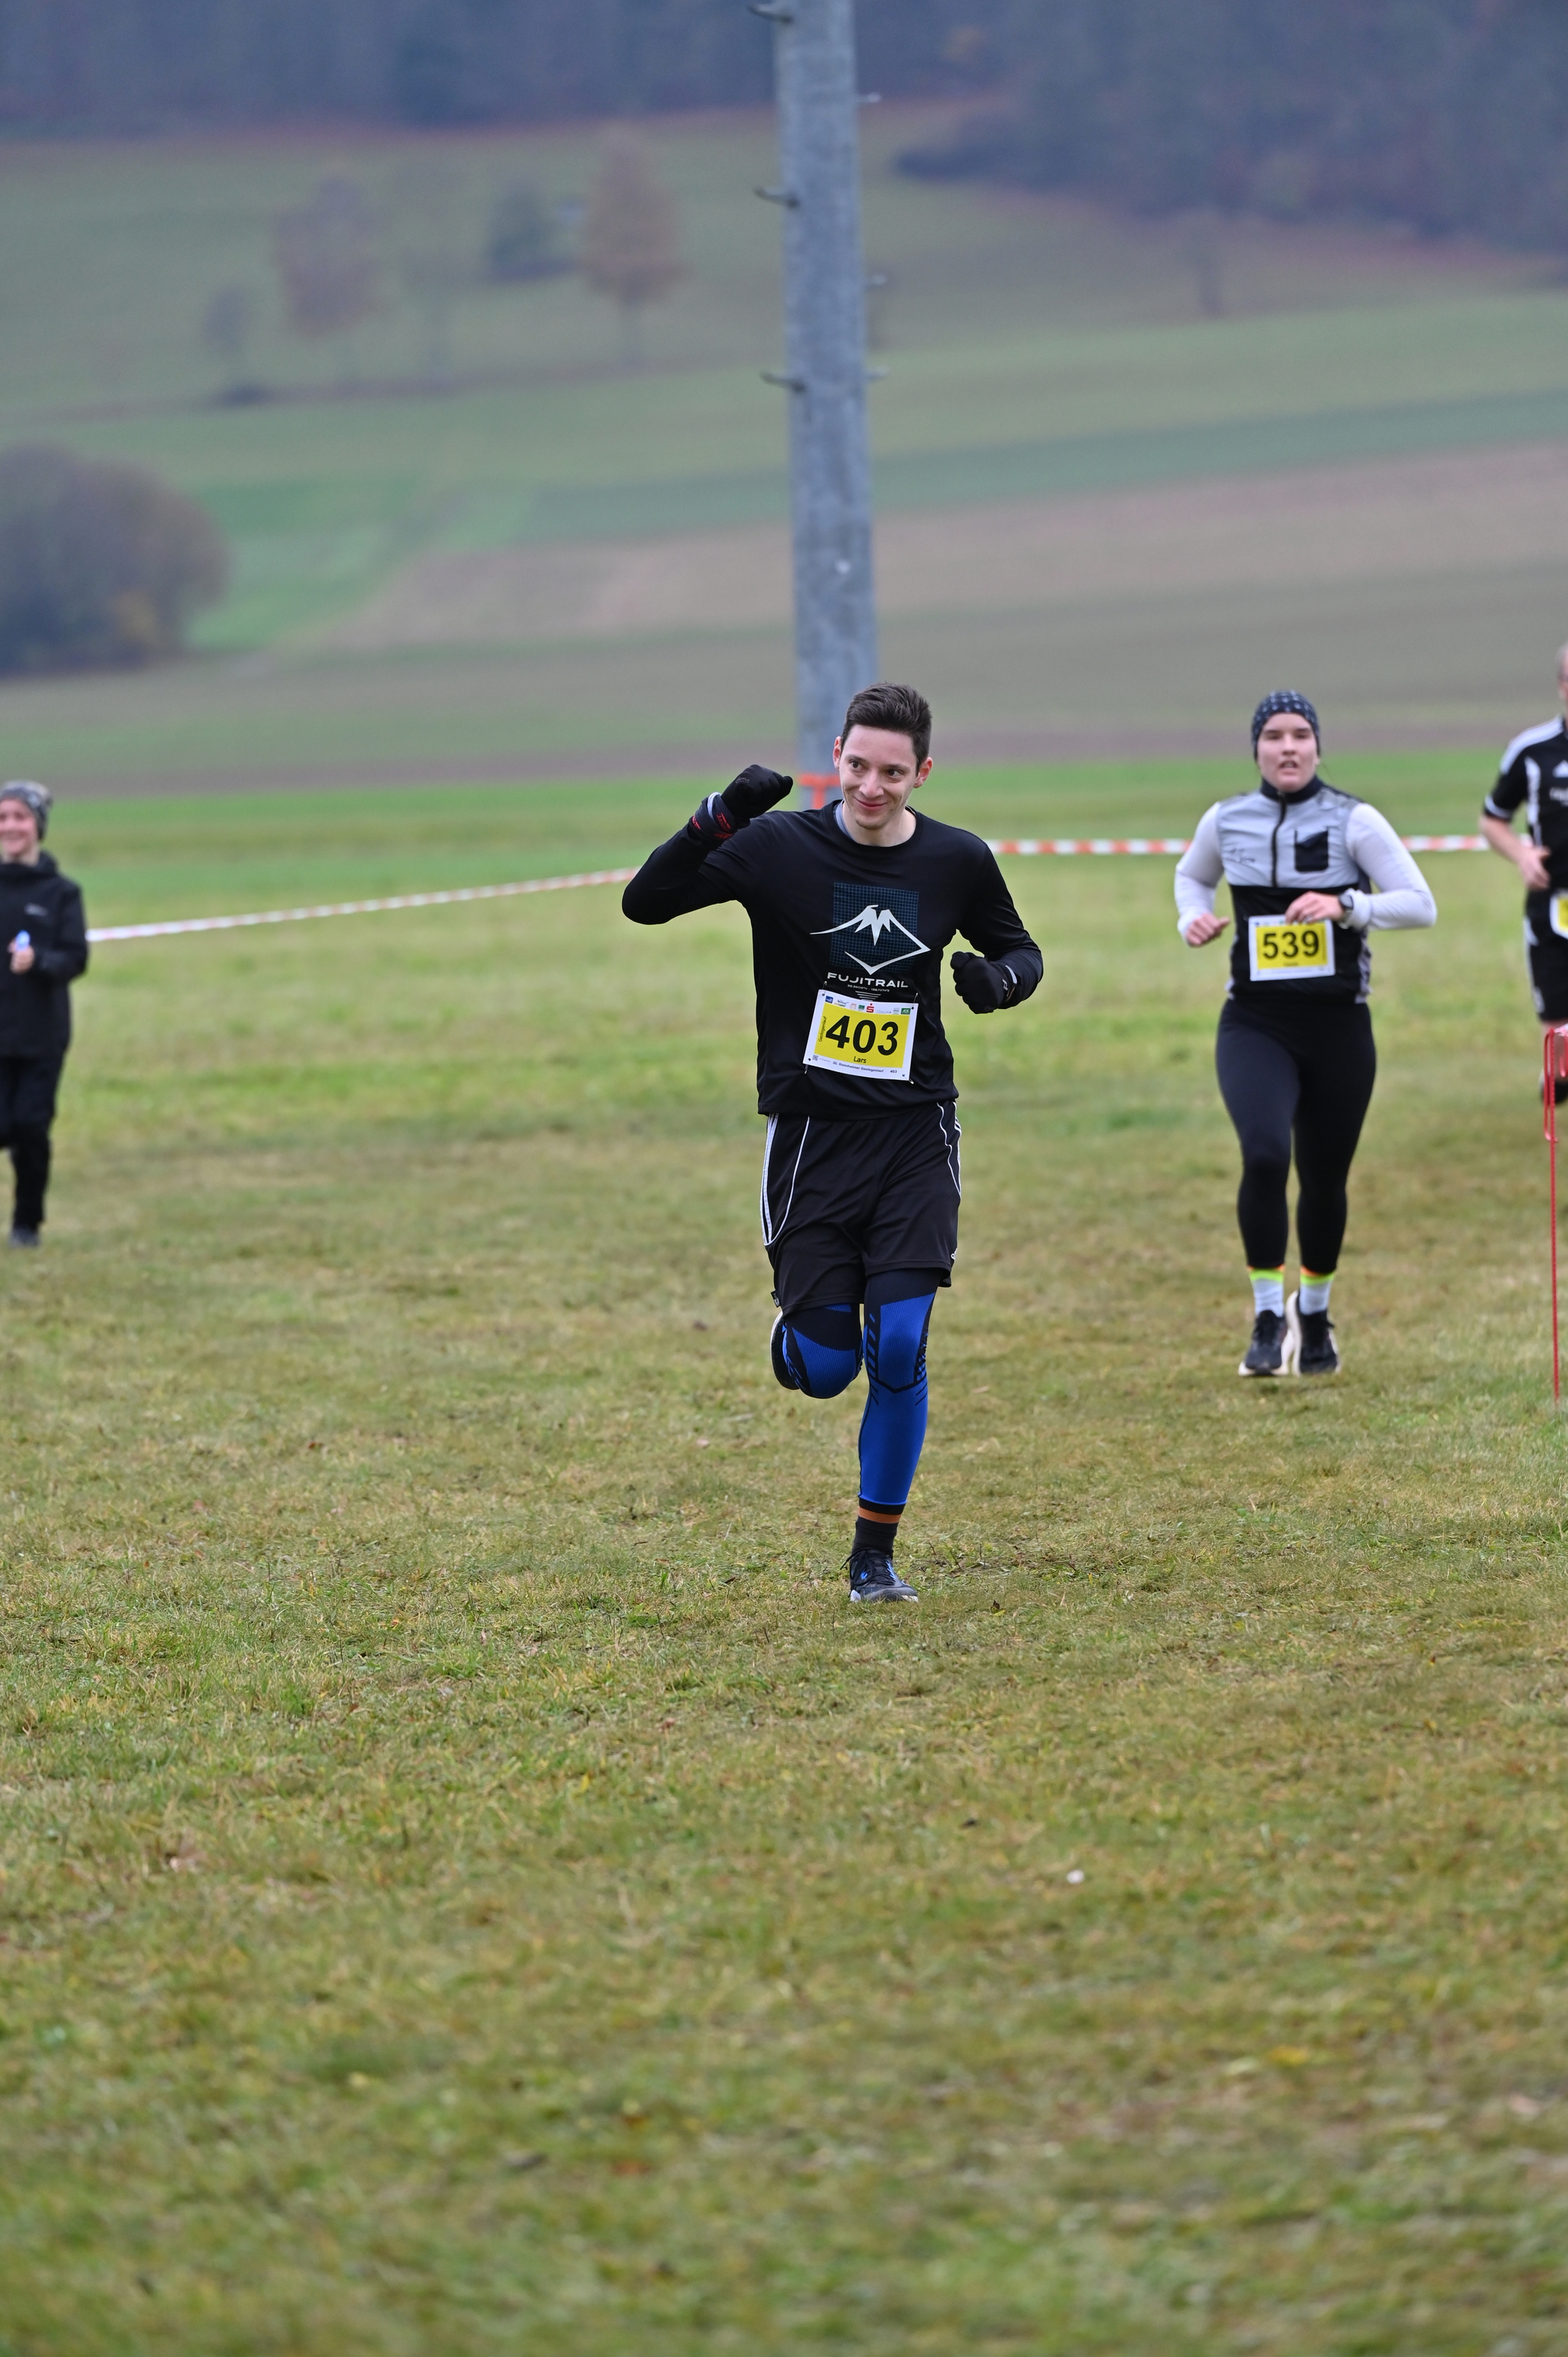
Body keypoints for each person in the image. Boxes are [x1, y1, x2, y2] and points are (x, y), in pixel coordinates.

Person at [622, 682, 1042, 1603]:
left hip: (914, 1133)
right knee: (825, 1371)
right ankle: (799, 1340)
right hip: (812, 1139)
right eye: (857, 767)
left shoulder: (956, 859)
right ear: (836, 760)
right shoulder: (777, 847)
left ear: (921, 772)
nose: (871, 787)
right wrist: (717, 817)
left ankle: (873, 1557)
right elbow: (644, 903)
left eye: (892, 772)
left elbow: (1022, 951)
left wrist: (999, 983)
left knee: (899, 1345)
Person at [1175, 693, 1436, 1378]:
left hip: (1338, 1027)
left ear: (1318, 746)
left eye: (1299, 735)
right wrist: (1190, 917)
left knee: (1324, 1179)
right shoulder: (1226, 818)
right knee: (1265, 1155)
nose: (1287, 747)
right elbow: (1192, 876)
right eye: (1273, 736)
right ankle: (1267, 1316)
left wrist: (1347, 905)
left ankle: (1314, 1313)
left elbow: (1420, 904)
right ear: (1256, 748)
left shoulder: (1355, 820)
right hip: (1255, 1024)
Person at [0, 781, 87, 1248]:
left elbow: (75, 958)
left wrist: (39, 964)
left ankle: (26, 1224)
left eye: (20, 817)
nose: (10, 826)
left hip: (41, 1036)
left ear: (38, 826)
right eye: (2, 818)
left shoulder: (61, 893)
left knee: (30, 1128)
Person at [1480, 642, 1568, 1080]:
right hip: (1552, 903)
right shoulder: (1532, 750)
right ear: (1562, 686)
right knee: (1557, 1025)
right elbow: (1492, 819)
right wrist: (1522, 854)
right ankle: (1558, 1072)